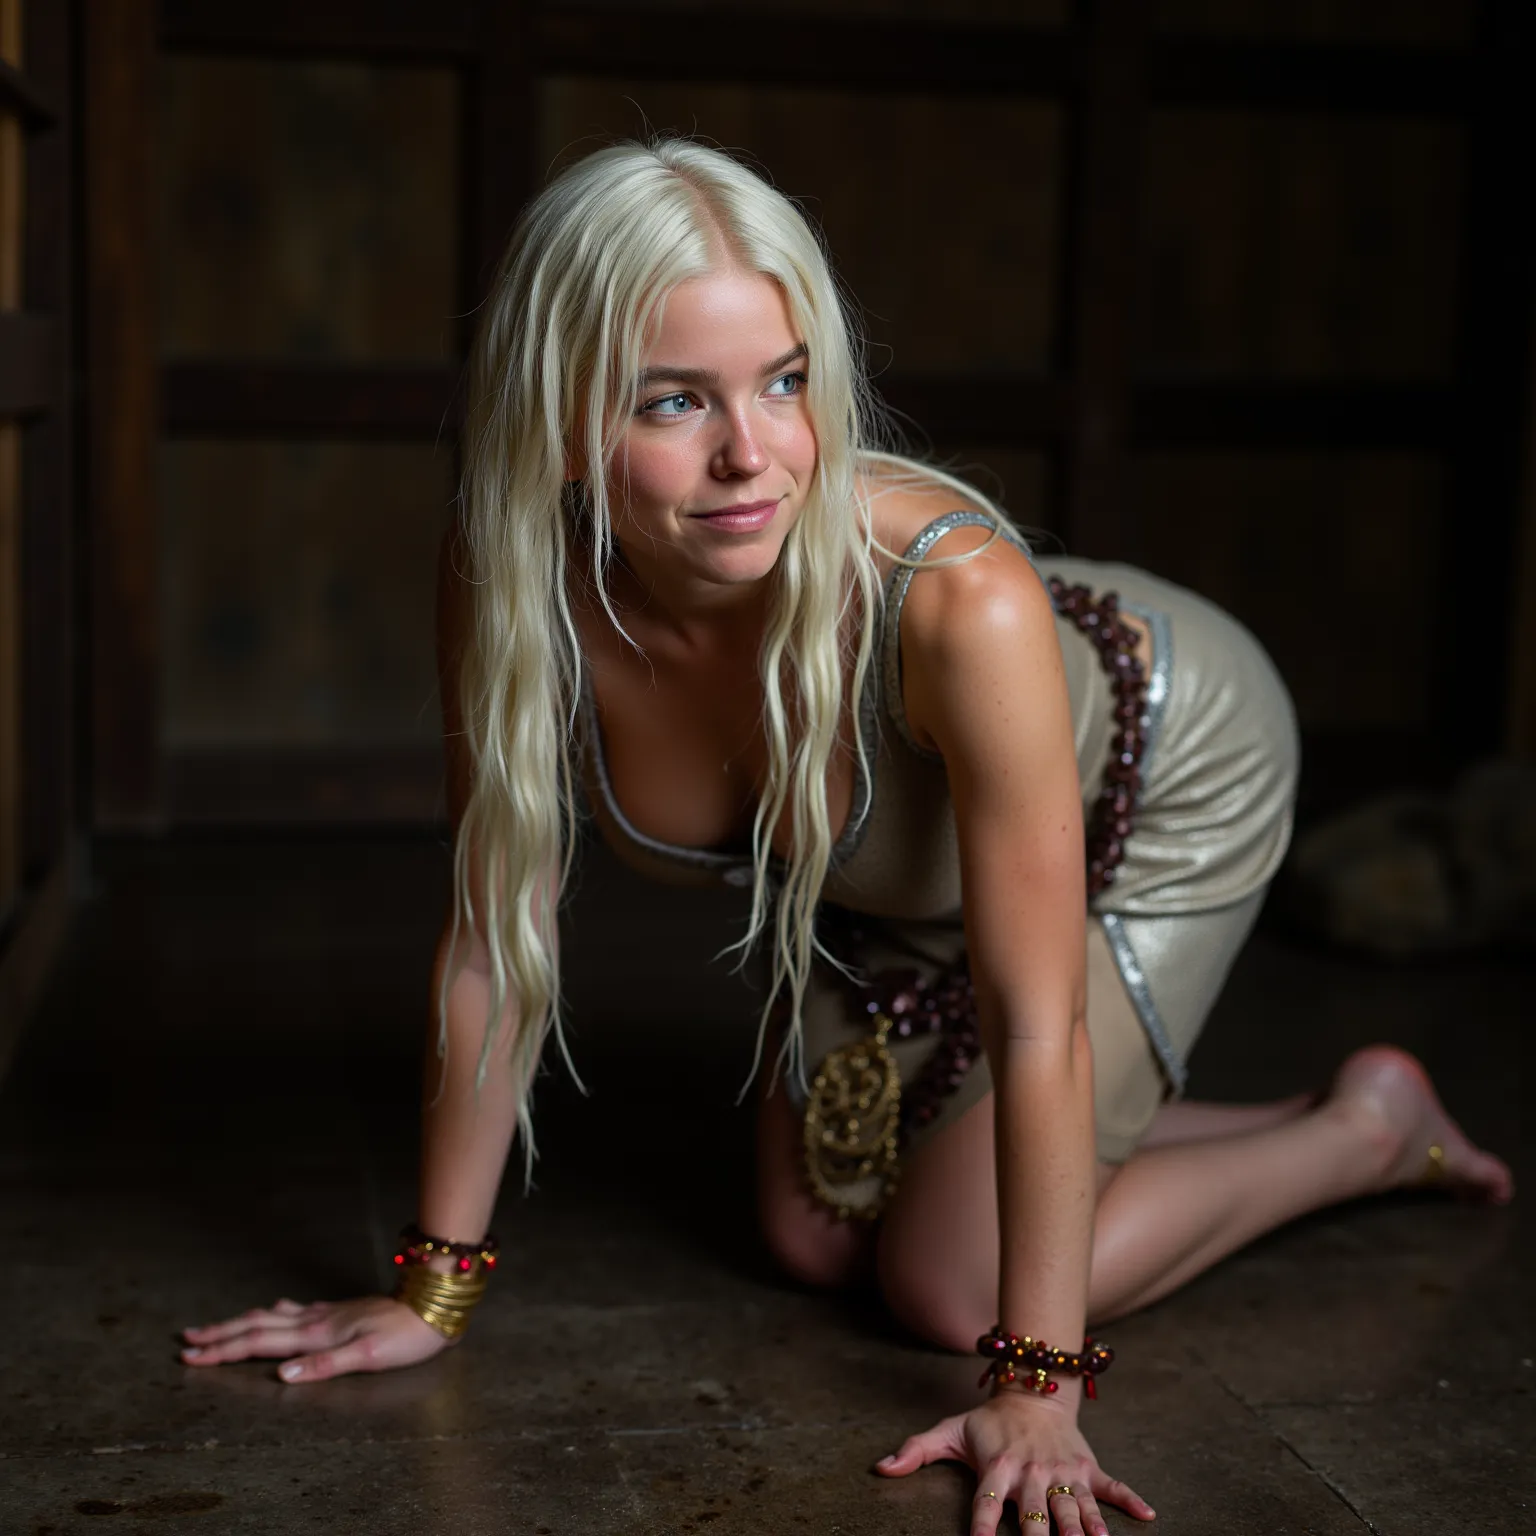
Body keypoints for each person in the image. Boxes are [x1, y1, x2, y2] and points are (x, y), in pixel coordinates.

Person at [179, 140, 1513, 1536]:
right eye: (674, 400)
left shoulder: (956, 597)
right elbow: (493, 944)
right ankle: (1124, 1145)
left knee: (944, 1282)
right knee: (811, 1235)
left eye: (787, 381)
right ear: (562, 416)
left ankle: (1366, 1131)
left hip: (1155, 774)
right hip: (893, 874)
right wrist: (432, 1291)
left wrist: (1037, 1381)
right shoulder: (518, 589)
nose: (752, 454)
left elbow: (1036, 1011)